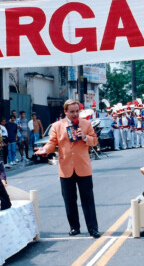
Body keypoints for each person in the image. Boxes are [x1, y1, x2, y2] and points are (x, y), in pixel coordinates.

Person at [35, 99, 101, 238]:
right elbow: (52, 142)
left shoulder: (86, 124)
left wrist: (85, 137)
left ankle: (93, 228)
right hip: (66, 168)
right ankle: (74, 227)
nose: (75, 114)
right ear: (65, 112)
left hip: (83, 167)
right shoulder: (57, 126)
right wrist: (45, 150)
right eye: (72, 112)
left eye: (77, 111)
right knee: (69, 200)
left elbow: (94, 141)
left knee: (87, 199)